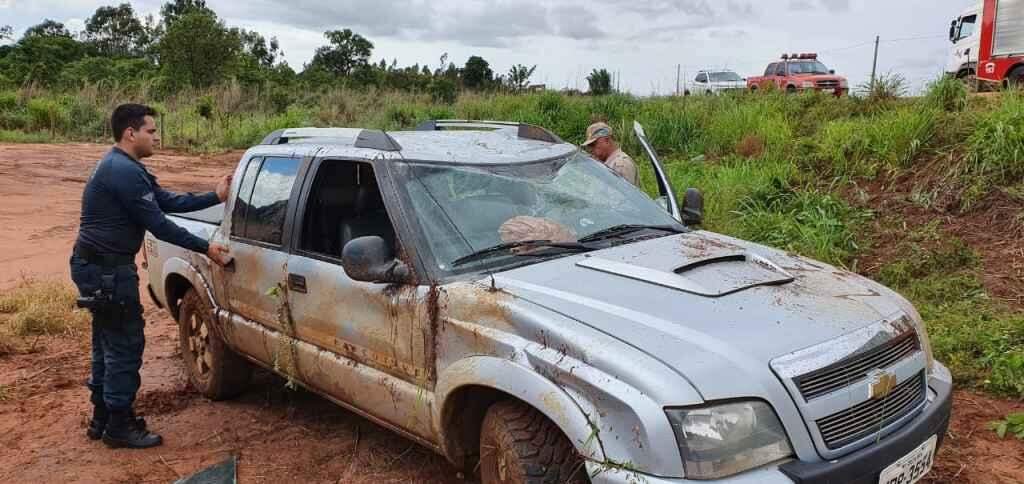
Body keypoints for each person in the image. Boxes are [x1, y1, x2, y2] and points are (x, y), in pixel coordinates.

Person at [70, 103, 232, 449]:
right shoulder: (123, 171)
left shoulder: (124, 166)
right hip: (108, 270)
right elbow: (158, 224)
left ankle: (102, 417)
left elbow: (165, 200)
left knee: (107, 342)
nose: (155, 137)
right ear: (131, 133)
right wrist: (207, 248)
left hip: (98, 266)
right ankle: (119, 424)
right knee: (124, 345)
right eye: (151, 131)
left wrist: (213, 197)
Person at [581, 122, 639, 187]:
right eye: (589, 146)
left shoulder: (620, 164)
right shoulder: (609, 162)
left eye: (593, 144)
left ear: (607, 140)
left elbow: (624, 195)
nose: (591, 149)